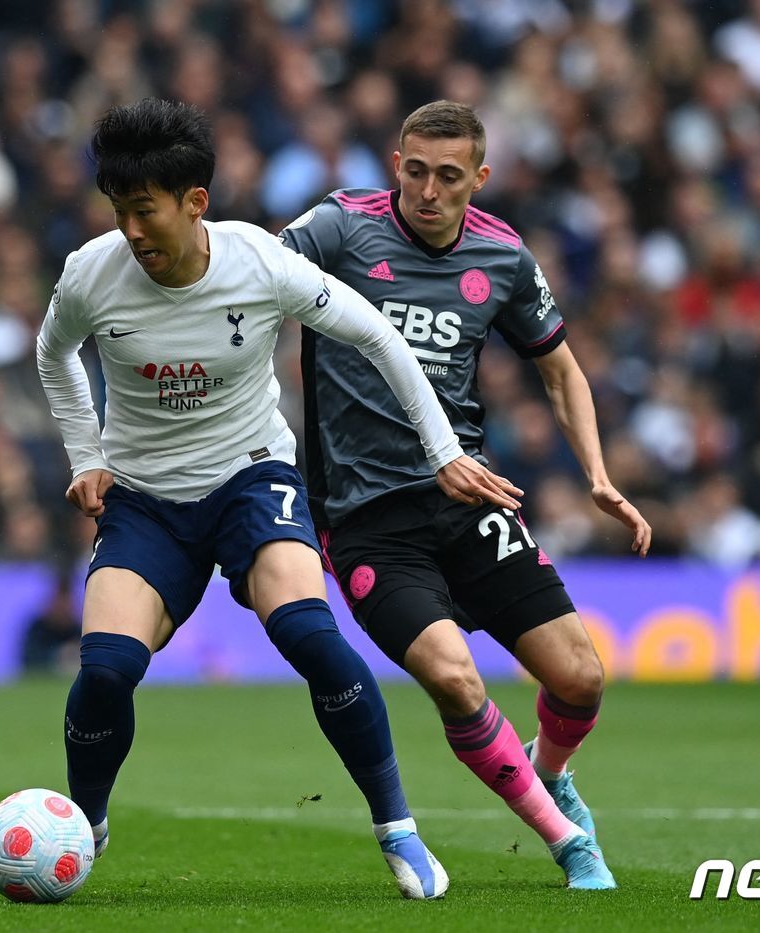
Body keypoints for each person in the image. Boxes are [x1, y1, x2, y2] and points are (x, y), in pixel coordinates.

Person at [35, 98, 522, 900]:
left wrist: (444, 452)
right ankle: (82, 825)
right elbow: (53, 354)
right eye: (119, 211)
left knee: (310, 634)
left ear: (196, 203)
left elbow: (379, 337)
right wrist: (86, 454)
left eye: (145, 211)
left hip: (252, 479)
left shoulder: (259, 263)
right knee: (108, 669)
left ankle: (397, 828)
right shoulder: (92, 273)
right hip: (146, 498)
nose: (130, 231)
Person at [281, 100, 653, 890]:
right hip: (366, 520)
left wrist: (597, 472)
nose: (427, 190)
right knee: (455, 676)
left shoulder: (504, 256)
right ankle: (566, 841)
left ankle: (553, 776)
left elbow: (560, 368)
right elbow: (254, 268)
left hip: (470, 501)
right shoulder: (341, 228)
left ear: (478, 179)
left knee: (580, 678)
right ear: (396, 165)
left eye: (448, 176)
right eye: (414, 171)